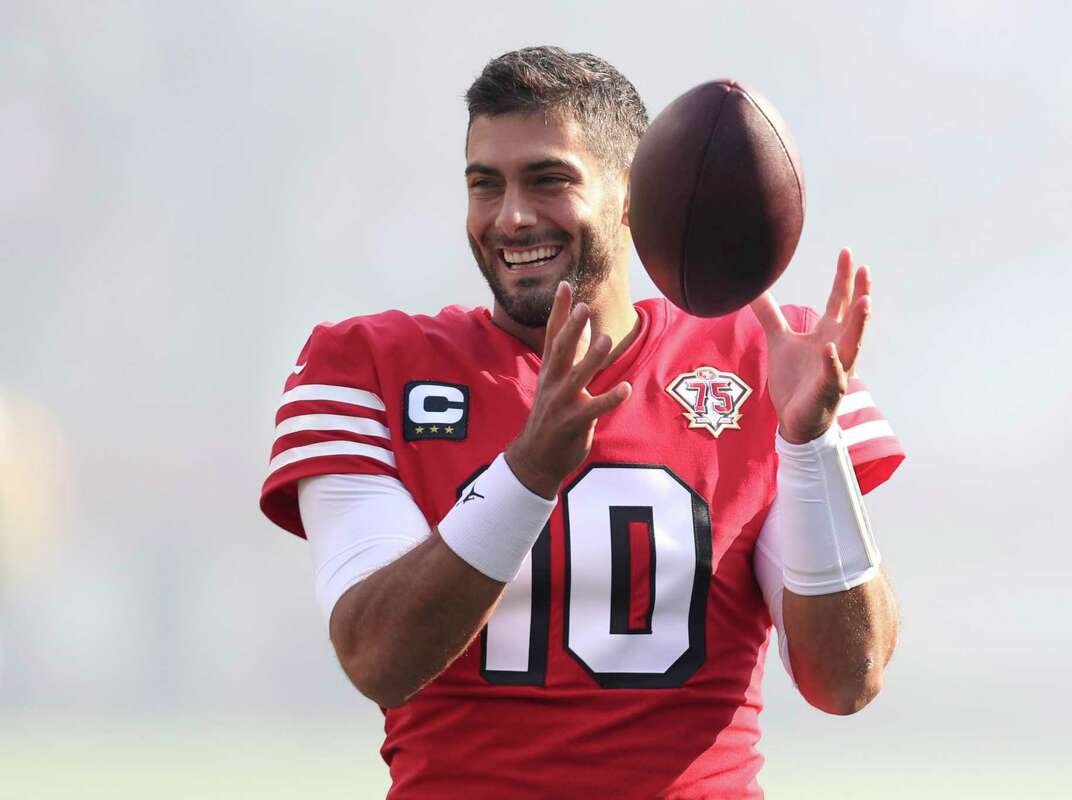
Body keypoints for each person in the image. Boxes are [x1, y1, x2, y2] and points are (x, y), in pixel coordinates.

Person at [260, 46, 905, 799]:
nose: (512, 216)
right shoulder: (369, 364)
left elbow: (846, 680)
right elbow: (378, 659)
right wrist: (528, 472)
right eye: (484, 185)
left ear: (637, 195)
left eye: (548, 179)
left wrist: (810, 443)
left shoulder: (759, 359)